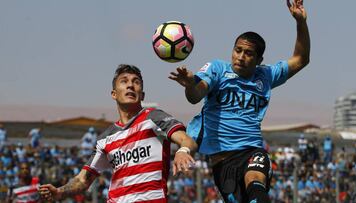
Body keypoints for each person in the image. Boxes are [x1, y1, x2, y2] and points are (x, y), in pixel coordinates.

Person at [169, 0, 310, 202]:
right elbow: (195, 96)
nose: (241, 57)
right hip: (223, 161)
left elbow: (301, 59)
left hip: (252, 151)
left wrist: (300, 22)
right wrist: (191, 84)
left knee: (256, 188)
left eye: (248, 53)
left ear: (259, 60)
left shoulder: (266, 75)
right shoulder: (218, 69)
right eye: (238, 50)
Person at [39, 64, 198, 202]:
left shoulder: (153, 117)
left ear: (142, 95)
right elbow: (83, 179)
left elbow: (187, 140)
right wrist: (60, 192)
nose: (130, 85)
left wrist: (183, 151)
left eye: (136, 82)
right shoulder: (105, 138)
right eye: (124, 81)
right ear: (114, 94)